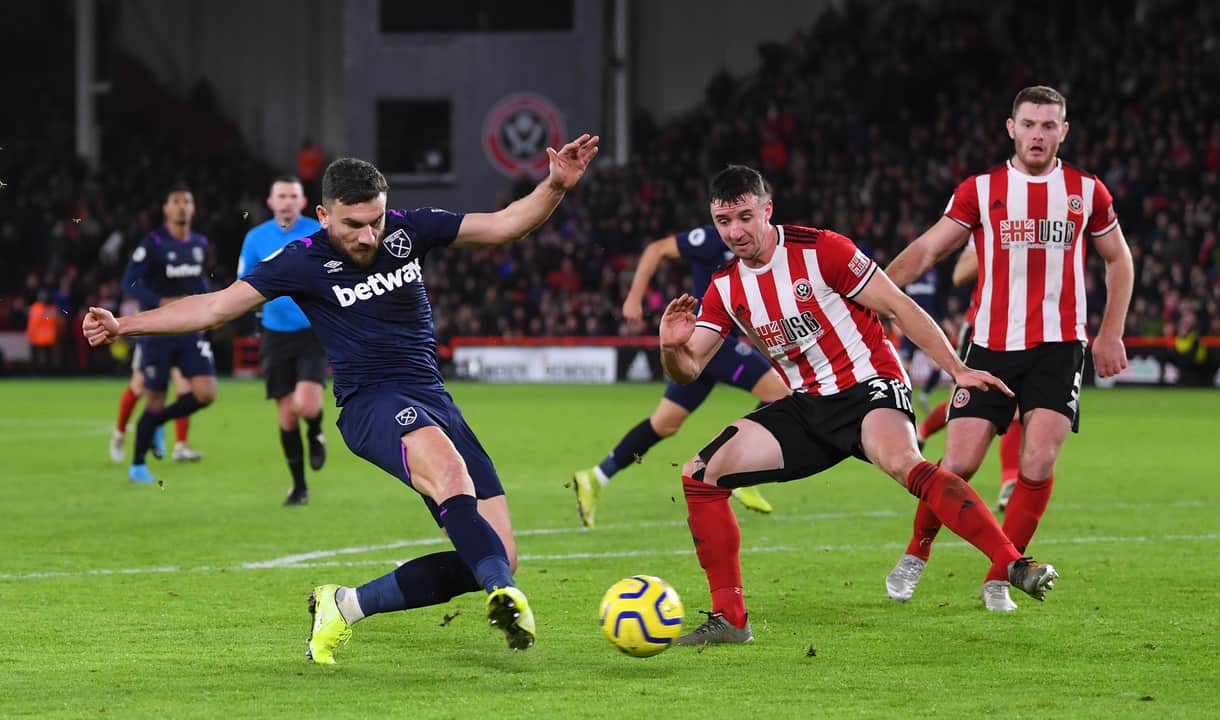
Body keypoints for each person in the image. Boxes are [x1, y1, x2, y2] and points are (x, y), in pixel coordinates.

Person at [84, 134, 600, 662]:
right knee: (452, 480)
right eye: (353, 224)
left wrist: (555, 186)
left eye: (375, 220)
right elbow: (215, 308)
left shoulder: (408, 228)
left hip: (434, 399)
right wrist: (125, 324)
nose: (368, 234)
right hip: (371, 404)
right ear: (323, 215)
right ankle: (503, 599)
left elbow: (506, 225)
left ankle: (346, 605)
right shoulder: (300, 260)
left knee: (497, 554)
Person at [658, 165, 1058, 646]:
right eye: (724, 221)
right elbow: (690, 367)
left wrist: (957, 368)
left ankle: (1013, 562)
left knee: (903, 463)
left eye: (745, 216)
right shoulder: (725, 286)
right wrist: (670, 348)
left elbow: (897, 306)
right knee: (701, 474)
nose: (736, 231)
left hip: (870, 386)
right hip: (806, 406)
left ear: (767, 209)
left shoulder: (822, 249)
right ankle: (731, 620)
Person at [881, 86, 1133, 611]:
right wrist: (876, 292)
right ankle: (916, 551)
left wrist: (1110, 332)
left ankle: (1002, 574)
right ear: (1010, 128)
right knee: (958, 464)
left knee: (1038, 462)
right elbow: (929, 248)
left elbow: (1119, 260)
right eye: (1029, 124)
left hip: (1060, 347)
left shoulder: (1086, 191)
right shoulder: (981, 190)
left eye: (1048, 126)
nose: (1038, 134)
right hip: (990, 347)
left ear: (1063, 131)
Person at [570, 225, 790, 526]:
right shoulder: (713, 238)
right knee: (781, 392)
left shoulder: (759, 247)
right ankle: (739, 469)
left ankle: (596, 476)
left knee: (665, 423)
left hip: (704, 348)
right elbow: (656, 249)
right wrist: (634, 298)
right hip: (711, 340)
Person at [912, 243, 1022, 515]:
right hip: (982, 330)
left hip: (1026, 328)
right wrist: (1008, 243)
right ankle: (924, 430)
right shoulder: (991, 220)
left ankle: (1009, 481)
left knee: (1016, 406)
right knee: (962, 403)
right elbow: (960, 274)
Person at [118, 183, 217, 484]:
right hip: (158, 331)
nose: (182, 207)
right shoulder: (154, 243)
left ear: (193, 207)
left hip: (188, 330)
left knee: (205, 393)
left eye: (187, 201)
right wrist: (158, 302)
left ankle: (155, 423)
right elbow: (128, 282)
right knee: (155, 397)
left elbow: (197, 282)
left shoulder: (199, 243)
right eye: (176, 201)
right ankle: (137, 466)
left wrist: (214, 305)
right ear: (166, 208)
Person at [237, 175, 326, 506]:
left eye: (293, 196)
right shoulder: (255, 238)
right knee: (287, 415)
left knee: (308, 405)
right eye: (281, 196)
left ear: (303, 203)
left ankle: (316, 431)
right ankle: (299, 486)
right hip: (274, 333)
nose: (287, 201)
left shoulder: (317, 232)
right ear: (270, 202)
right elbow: (243, 282)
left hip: (312, 330)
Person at [109, 362, 203, 463]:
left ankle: (181, 446)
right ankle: (119, 435)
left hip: (177, 346)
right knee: (138, 386)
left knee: (184, 388)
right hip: (152, 347)